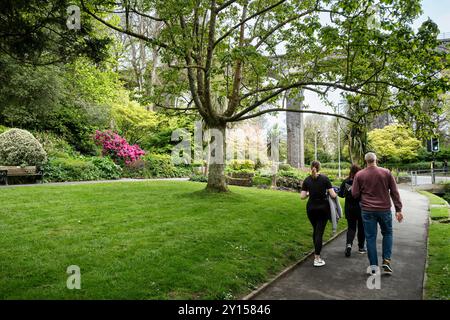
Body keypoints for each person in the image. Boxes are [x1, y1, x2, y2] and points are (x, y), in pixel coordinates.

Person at [352, 152, 404, 275]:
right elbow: (394, 192)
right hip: (384, 210)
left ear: (366, 161)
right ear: (376, 160)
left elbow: (354, 194)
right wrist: (398, 209)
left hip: (367, 210)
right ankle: (386, 261)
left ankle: (374, 267)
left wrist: (363, 197)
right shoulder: (386, 172)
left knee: (370, 237)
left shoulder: (359, 175)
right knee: (387, 233)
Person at [301, 161, 338, 267]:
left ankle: (316, 253)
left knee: (316, 230)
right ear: (319, 168)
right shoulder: (325, 179)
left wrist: (309, 193)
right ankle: (317, 258)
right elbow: (333, 195)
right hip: (323, 208)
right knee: (319, 232)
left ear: (311, 168)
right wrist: (335, 192)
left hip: (311, 208)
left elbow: (302, 196)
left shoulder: (307, 180)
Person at [338, 164, 366, 257]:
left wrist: (347, 191)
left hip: (349, 208)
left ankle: (349, 245)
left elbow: (341, 194)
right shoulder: (362, 181)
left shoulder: (346, 181)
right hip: (361, 207)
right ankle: (361, 247)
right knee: (361, 227)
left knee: (351, 227)